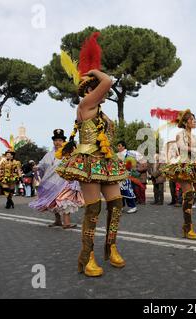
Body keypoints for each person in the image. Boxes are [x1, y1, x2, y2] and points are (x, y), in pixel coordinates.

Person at [55, 32, 128, 277]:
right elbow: (108, 81)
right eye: (96, 88)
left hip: (105, 162)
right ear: (89, 89)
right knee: (93, 209)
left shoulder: (101, 112)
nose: (102, 91)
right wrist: (95, 72)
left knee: (116, 205)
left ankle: (111, 247)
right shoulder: (85, 105)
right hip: (88, 162)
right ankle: (88, 256)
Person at [151, 108, 196, 239]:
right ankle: (188, 227)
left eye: (194, 119)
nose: (194, 121)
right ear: (186, 122)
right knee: (189, 197)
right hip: (185, 166)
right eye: (192, 119)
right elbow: (182, 147)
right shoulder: (180, 134)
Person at [29, 129, 84, 229]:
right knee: (53, 202)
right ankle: (58, 221)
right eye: (55, 140)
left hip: (65, 182)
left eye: (60, 140)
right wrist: (36, 167)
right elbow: (42, 164)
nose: (57, 142)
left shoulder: (69, 153)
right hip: (51, 182)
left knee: (65, 201)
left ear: (64, 141)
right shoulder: (49, 154)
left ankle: (66, 223)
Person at [117, 141, 141, 214]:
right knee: (119, 192)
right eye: (118, 146)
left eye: (119, 146)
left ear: (123, 147)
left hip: (126, 176)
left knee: (127, 191)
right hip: (119, 176)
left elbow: (133, 163)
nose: (118, 147)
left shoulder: (129, 154)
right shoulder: (117, 155)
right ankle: (121, 206)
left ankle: (133, 206)